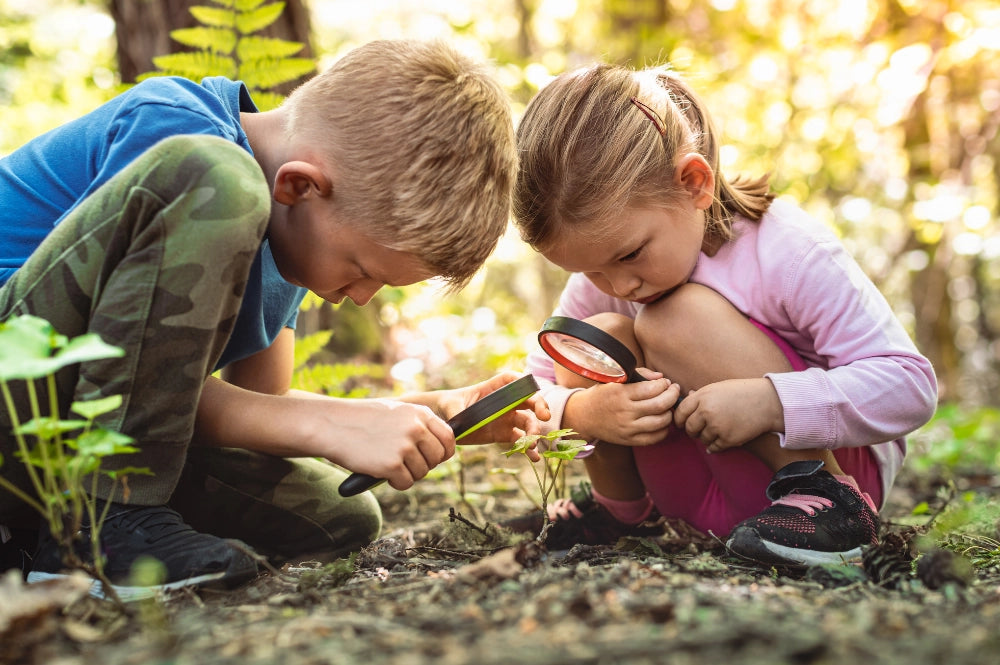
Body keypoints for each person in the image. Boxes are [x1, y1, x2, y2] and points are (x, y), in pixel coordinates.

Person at [0, 39, 548, 598]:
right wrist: (333, 427)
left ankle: (31, 540)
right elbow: (112, 357)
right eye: (361, 269)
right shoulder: (190, 148)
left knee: (336, 514)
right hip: (16, 374)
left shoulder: (292, 237)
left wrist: (433, 410)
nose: (359, 298)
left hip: (63, 437)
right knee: (217, 177)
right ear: (299, 186)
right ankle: (98, 533)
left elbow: (255, 409)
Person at [506, 63, 938, 567]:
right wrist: (584, 412)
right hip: (687, 497)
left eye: (629, 256)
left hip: (827, 482)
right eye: (589, 271)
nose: (618, 286)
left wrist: (770, 402)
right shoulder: (604, 276)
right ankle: (617, 511)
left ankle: (826, 504)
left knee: (676, 317)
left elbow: (910, 385)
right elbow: (530, 394)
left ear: (693, 183)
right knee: (593, 335)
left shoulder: (786, 250)